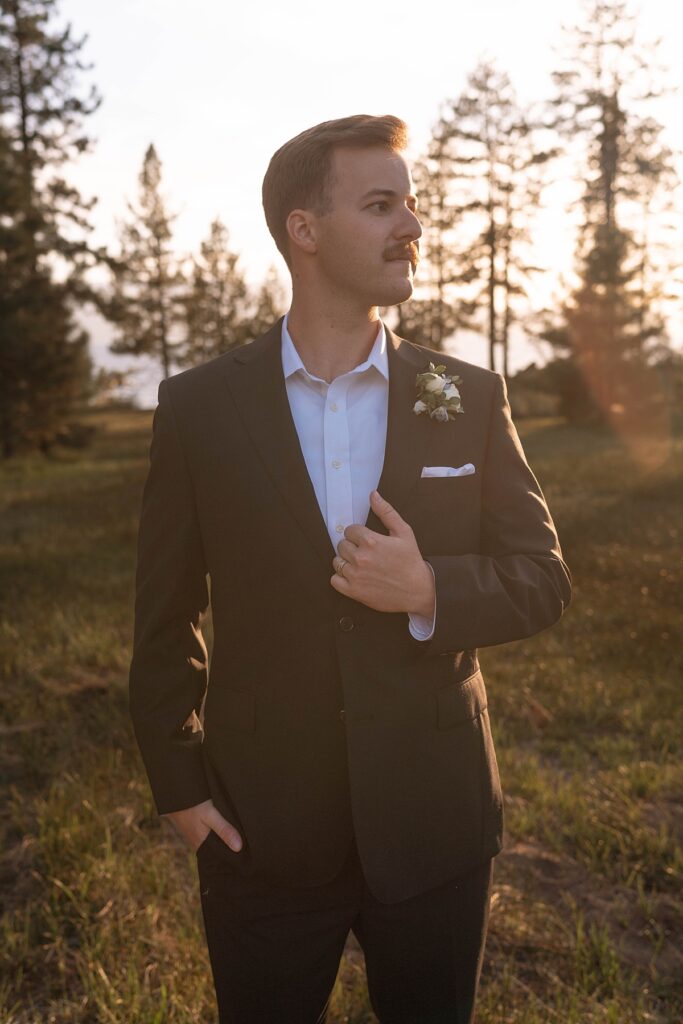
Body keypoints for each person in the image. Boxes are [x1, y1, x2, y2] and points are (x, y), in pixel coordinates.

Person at [128, 113, 572, 1023]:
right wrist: (178, 789)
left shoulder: (468, 398)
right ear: (304, 228)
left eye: (410, 204)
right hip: (260, 829)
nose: (410, 225)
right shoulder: (199, 408)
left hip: (436, 823)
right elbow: (163, 613)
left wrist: (431, 591)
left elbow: (542, 575)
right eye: (380, 205)